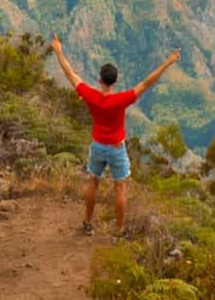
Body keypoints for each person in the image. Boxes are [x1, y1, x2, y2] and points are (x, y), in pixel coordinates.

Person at [50, 35, 179, 234]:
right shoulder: (121, 100)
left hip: (98, 147)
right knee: (120, 188)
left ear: (99, 79)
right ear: (116, 80)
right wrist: (168, 63)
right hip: (117, 148)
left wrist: (58, 50)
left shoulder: (90, 96)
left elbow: (69, 73)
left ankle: (87, 223)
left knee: (93, 183)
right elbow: (146, 83)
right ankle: (119, 230)